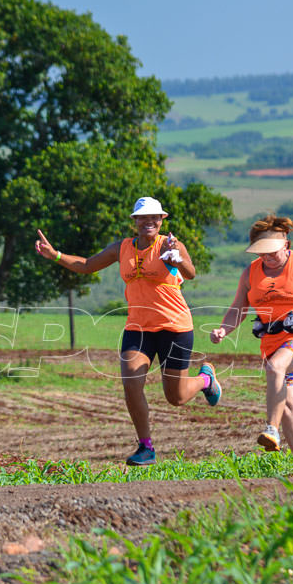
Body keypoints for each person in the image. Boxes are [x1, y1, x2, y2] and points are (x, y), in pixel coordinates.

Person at [35, 196, 222, 466]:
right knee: (131, 384)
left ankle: (206, 380)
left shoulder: (169, 244)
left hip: (175, 327)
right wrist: (56, 256)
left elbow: (191, 273)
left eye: (154, 217)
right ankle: (146, 447)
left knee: (176, 397)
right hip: (138, 328)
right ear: (134, 221)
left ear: (161, 220)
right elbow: (87, 265)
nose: (149, 221)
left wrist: (177, 258)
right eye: (143, 217)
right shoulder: (121, 248)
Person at [209, 215, 293, 478]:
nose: (268, 258)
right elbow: (238, 307)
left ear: (286, 245)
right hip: (272, 340)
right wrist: (223, 330)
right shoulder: (250, 272)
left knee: (276, 367)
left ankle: (270, 429)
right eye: (262, 253)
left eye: (272, 252)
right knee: (289, 407)